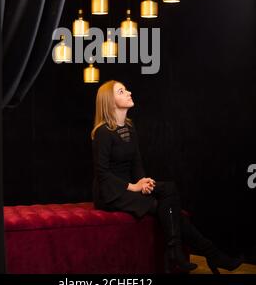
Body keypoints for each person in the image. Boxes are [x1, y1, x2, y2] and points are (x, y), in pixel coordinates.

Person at [91, 79, 243, 274]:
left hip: (131, 186)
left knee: (169, 188)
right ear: (110, 102)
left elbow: (136, 163)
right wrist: (134, 187)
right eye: (121, 91)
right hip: (110, 192)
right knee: (165, 208)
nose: (129, 92)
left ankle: (177, 250)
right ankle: (210, 254)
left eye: (126, 89)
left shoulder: (129, 127)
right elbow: (102, 174)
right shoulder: (102, 132)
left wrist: (143, 182)